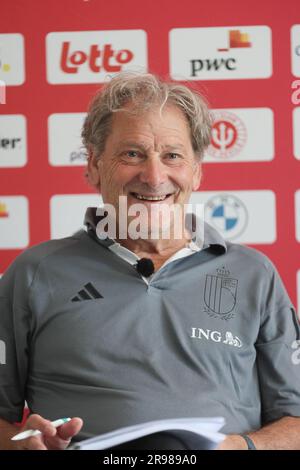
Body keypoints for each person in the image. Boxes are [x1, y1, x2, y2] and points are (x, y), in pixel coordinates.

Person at [0, 72, 300, 451]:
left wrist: (241, 447)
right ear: (93, 164)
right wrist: (20, 442)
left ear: (196, 170)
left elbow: (296, 421)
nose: (154, 176)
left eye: (172, 155)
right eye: (132, 154)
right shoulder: (34, 273)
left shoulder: (254, 274)